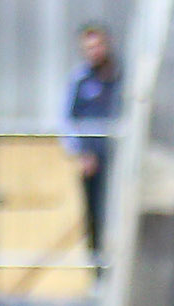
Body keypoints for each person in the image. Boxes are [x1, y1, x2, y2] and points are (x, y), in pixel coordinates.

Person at [65, 24, 121, 258]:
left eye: (97, 46)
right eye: (88, 48)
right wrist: (80, 153)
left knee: (118, 212)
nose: (94, 52)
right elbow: (67, 119)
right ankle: (97, 267)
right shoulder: (80, 81)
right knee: (94, 214)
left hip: (120, 160)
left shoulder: (122, 77)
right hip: (94, 161)